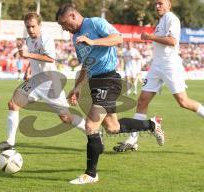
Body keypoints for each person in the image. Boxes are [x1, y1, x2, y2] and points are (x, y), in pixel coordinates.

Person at [56, 4, 164, 184]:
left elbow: (118, 38)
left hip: (109, 80)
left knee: (91, 126)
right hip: (95, 83)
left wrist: (93, 41)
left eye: (65, 24)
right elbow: (86, 65)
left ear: (73, 16)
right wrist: (77, 87)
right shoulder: (76, 37)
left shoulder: (96, 23)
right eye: (61, 26)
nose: (64, 29)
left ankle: (90, 174)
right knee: (112, 127)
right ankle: (151, 125)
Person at [113, 0, 204, 152]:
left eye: (160, 3)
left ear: (169, 4)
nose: (157, 6)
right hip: (157, 65)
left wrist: (150, 36)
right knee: (142, 101)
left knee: (183, 101)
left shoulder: (171, 18)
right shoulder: (162, 20)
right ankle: (133, 140)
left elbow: (172, 41)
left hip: (170, 65)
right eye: (156, 4)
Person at [0, 12, 87, 151]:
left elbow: (50, 59)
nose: (30, 30)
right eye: (28, 27)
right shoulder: (28, 40)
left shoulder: (46, 38)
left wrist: (28, 55)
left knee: (66, 118)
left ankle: (92, 132)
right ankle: (10, 142)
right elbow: (34, 59)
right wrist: (28, 69)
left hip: (50, 83)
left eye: (33, 26)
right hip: (35, 82)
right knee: (13, 104)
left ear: (39, 25)